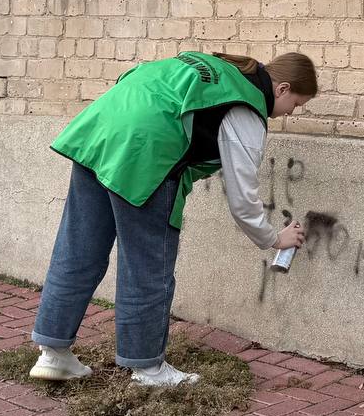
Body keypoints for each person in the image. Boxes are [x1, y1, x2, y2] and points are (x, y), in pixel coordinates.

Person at [28, 51, 316, 386]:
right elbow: (242, 198)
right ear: (281, 89)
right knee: (148, 265)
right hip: (145, 153)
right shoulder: (247, 104)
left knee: (79, 249)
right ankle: (148, 368)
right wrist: (274, 238)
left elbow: (139, 79)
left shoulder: (219, 70)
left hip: (99, 133)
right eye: (296, 104)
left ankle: (53, 354)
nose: (290, 113)